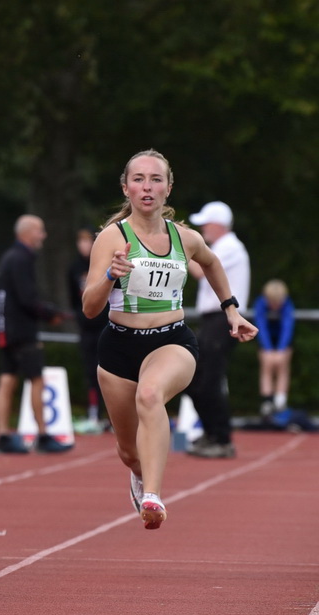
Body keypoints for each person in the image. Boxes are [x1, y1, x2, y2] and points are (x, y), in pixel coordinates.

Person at [82, 150, 256, 530]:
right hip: (119, 347)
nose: (148, 186)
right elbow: (90, 308)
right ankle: (140, 476)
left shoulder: (186, 238)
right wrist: (111, 274)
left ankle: (153, 497)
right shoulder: (111, 238)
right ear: (126, 188)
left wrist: (231, 309)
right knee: (129, 451)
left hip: (172, 340)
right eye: (140, 179)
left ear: (168, 188)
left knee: (151, 394)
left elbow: (211, 262)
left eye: (156, 179)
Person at [0, 214, 70, 455]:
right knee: (36, 380)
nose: (43, 236)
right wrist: (51, 314)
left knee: (7, 379)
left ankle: (3, 434)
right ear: (26, 233)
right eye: (40, 231)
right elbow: (27, 298)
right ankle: (43, 435)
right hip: (21, 330)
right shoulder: (21, 258)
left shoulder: (10, 258)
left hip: (6, 328)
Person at [184, 201, 251, 459]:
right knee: (195, 378)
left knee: (209, 379)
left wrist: (184, 248)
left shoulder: (230, 247)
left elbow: (201, 272)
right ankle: (213, 433)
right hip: (214, 319)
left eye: (205, 224)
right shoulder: (224, 247)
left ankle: (221, 438)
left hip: (223, 319)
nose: (203, 229)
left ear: (217, 224)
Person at [67, 227, 109, 431]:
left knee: (110, 371)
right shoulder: (73, 268)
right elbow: (73, 299)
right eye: (80, 242)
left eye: (87, 241)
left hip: (106, 325)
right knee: (90, 371)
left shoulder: (103, 263)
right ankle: (95, 412)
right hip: (86, 327)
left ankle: (112, 415)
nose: (84, 245)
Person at [254, 279, 294, 417]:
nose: (276, 305)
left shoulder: (287, 303)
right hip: (266, 340)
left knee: (282, 366)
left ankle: (280, 401)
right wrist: (268, 349)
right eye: (273, 302)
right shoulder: (260, 303)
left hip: (283, 340)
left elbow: (287, 327)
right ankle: (267, 402)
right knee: (267, 366)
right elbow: (261, 326)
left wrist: (281, 350)